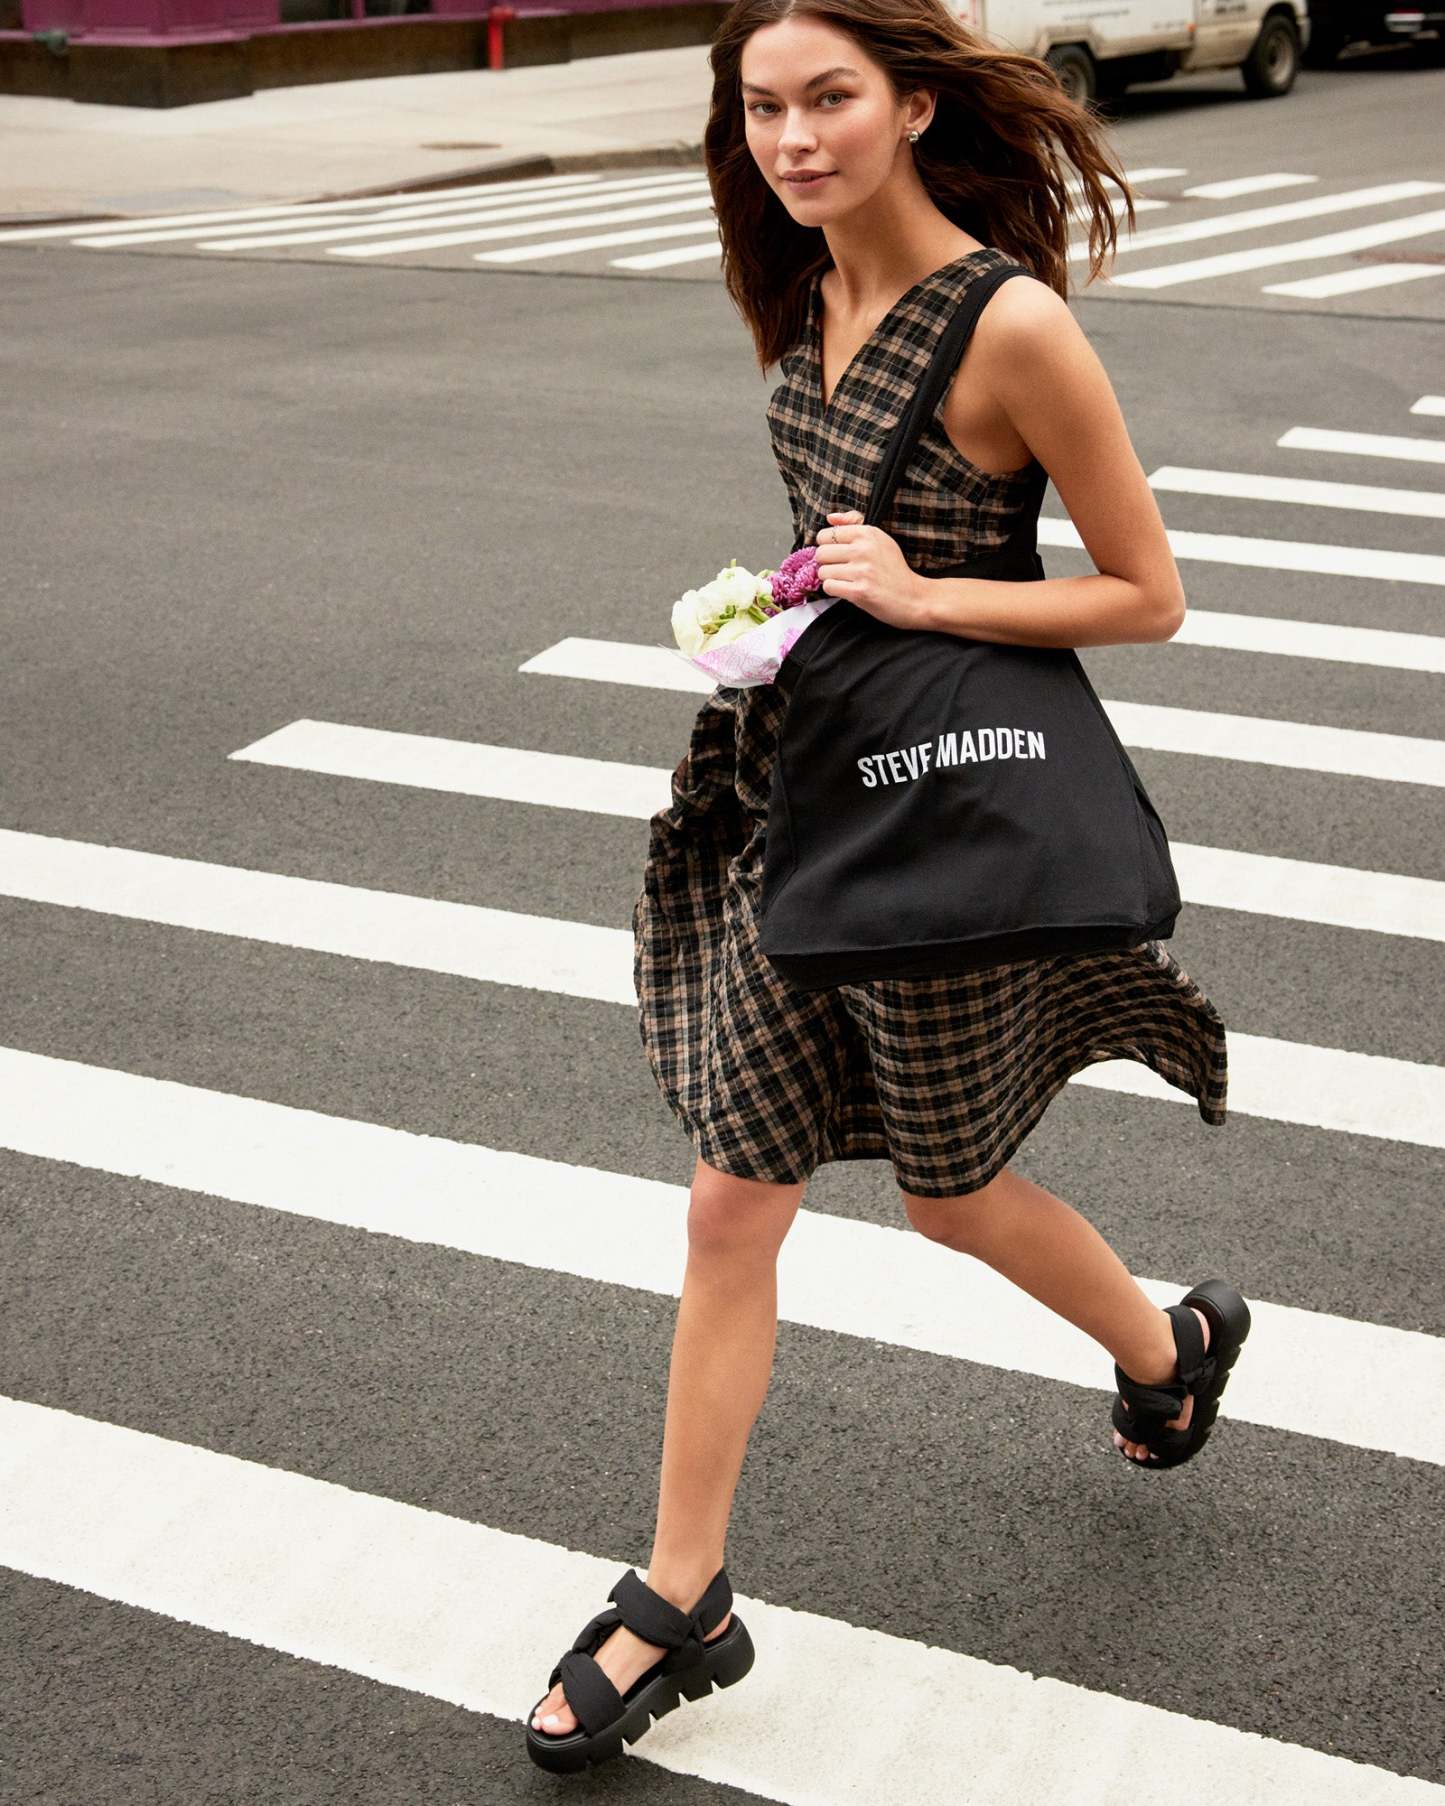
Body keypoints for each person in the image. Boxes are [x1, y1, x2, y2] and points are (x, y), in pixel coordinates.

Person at [525, 0, 1250, 1773]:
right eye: (762, 107)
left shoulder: (1010, 325)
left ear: (915, 102)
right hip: (814, 785)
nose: (792, 139)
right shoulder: (805, 287)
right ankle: (681, 1592)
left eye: (830, 98)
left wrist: (922, 594)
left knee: (952, 1196)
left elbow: (1145, 593)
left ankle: (1170, 1345)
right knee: (729, 1203)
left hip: (942, 820)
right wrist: (776, 606)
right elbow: (844, 537)